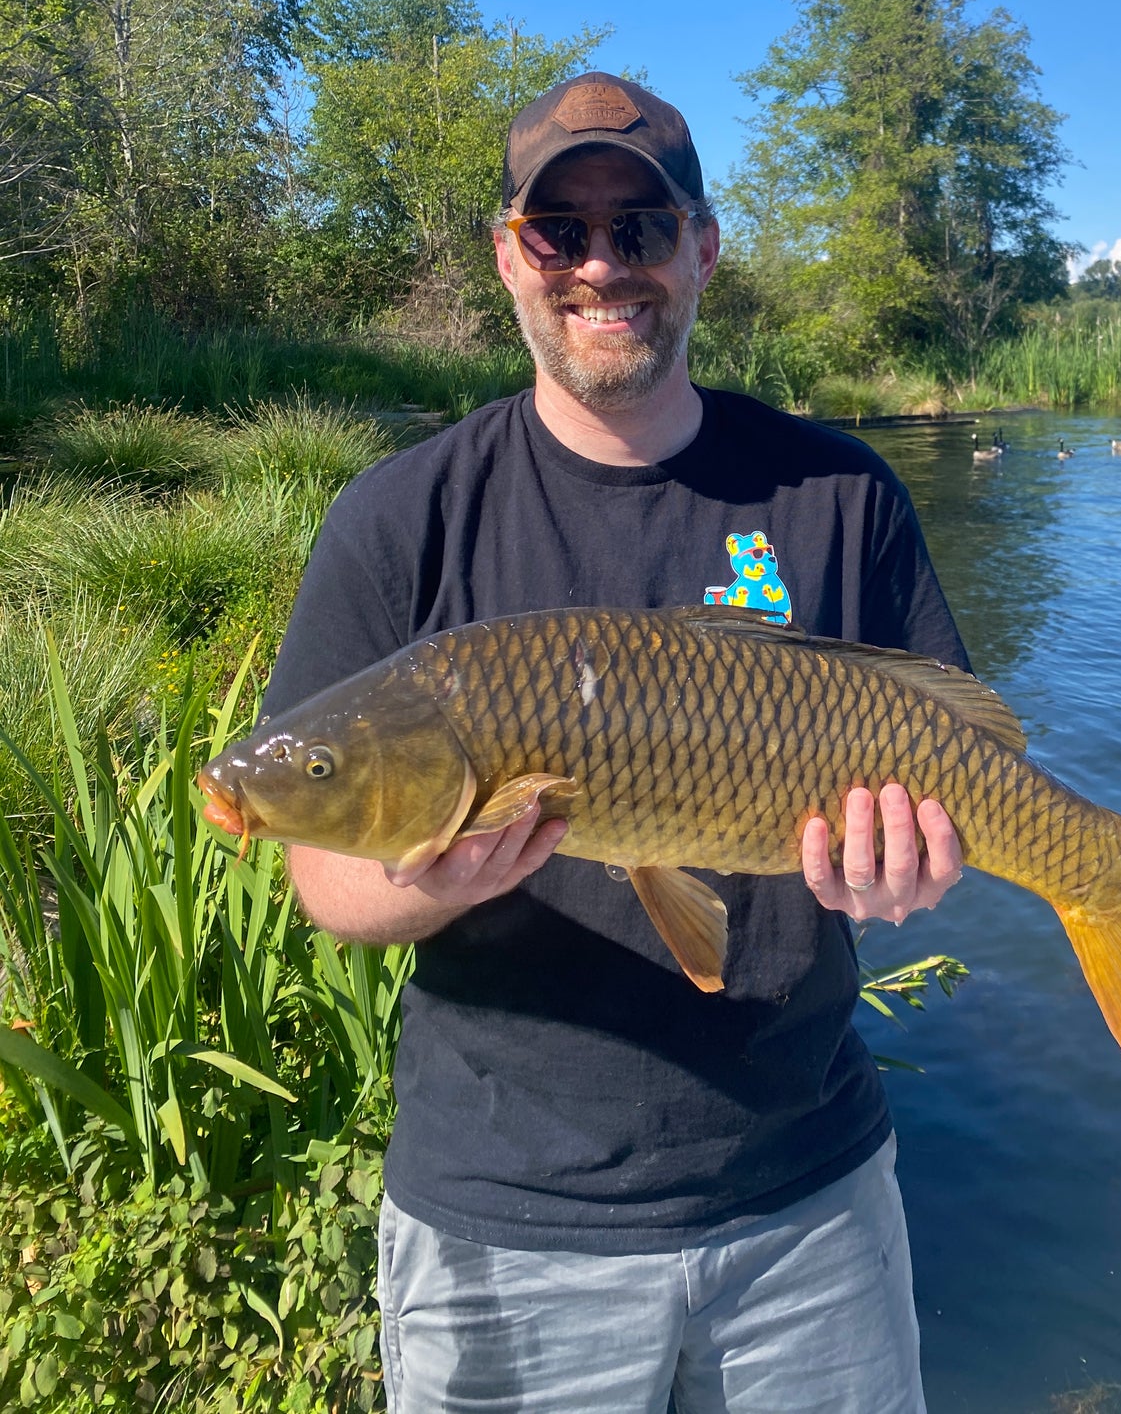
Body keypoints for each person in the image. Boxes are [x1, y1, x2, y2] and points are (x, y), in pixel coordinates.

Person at [271, 73, 970, 1413]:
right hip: (506, 1220)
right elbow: (325, 886)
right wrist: (436, 876)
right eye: (561, 232)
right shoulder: (397, 520)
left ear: (701, 247)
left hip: (807, 1199)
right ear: (507, 257)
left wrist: (911, 869)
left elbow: (948, 768)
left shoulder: (836, 494)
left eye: (640, 226)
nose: (604, 265)